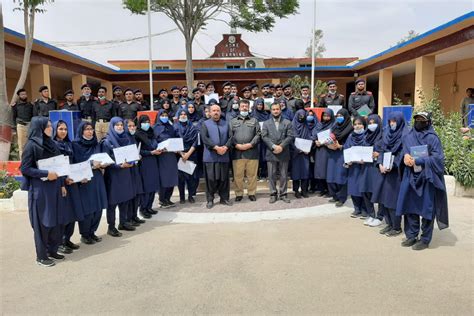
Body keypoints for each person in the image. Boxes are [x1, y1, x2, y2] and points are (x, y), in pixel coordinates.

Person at [396, 112, 449, 250]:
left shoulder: (432, 138)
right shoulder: (408, 136)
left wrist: (419, 160)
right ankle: (412, 235)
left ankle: (425, 239)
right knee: (410, 207)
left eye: (422, 120)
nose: (419, 121)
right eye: (417, 119)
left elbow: (438, 159)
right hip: (410, 176)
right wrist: (405, 157)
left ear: (428, 122)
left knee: (427, 208)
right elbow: (404, 152)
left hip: (427, 177)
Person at [20, 117, 64, 266]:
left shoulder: (52, 143)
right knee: (42, 223)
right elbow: (25, 168)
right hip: (40, 190)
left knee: (55, 221)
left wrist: (62, 183)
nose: (51, 128)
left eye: (51, 126)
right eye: (48, 126)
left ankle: (52, 250)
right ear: (39, 128)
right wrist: (45, 174)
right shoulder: (31, 146)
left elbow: (59, 164)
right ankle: (41, 256)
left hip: (54, 187)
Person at [371, 112, 408, 237]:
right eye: (390, 121)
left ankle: (396, 227)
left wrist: (393, 164)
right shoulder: (387, 135)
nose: (392, 124)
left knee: (392, 201)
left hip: (395, 174)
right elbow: (382, 150)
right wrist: (380, 163)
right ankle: (389, 224)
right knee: (383, 200)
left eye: (394, 121)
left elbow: (403, 154)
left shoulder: (405, 136)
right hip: (384, 172)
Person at [72, 122, 108, 245]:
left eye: (91, 129)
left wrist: (103, 164)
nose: (90, 131)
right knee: (87, 208)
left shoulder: (95, 143)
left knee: (98, 207)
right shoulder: (75, 145)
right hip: (84, 179)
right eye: (87, 129)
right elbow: (76, 163)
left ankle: (92, 232)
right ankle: (85, 234)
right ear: (81, 131)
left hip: (97, 177)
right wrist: (91, 165)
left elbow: (100, 157)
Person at [52, 120, 84, 254]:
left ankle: (67, 239)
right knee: (63, 214)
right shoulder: (53, 145)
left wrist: (80, 175)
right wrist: (63, 181)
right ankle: (59, 243)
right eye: (60, 129)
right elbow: (54, 167)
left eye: (65, 129)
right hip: (61, 183)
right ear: (55, 130)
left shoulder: (69, 144)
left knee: (73, 211)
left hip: (72, 182)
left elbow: (74, 162)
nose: (63, 131)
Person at [102, 117, 136, 236]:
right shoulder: (107, 142)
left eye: (121, 125)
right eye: (117, 125)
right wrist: (119, 166)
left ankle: (123, 222)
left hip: (125, 173)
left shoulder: (126, 139)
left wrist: (132, 162)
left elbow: (132, 154)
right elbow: (106, 161)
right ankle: (111, 227)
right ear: (112, 126)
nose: (120, 127)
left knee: (125, 199)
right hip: (114, 175)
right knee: (112, 202)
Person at [200, 104, 233, 209]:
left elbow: (231, 137)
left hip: (224, 155)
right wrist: (216, 148)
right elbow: (205, 138)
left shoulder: (226, 124)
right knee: (211, 179)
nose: (216, 112)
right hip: (210, 157)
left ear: (220, 112)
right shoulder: (205, 124)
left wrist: (225, 147)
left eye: (218, 110)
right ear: (209, 112)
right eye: (213, 110)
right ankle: (210, 199)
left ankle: (224, 198)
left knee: (224, 179)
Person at [261, 101, 294, 204]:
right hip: (271, 151)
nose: (275, 111)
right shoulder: (266, 123)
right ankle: (273, 194)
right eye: (273, 109)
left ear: (281, 110)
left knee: (284, 175)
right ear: (271, 111)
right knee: (271, 175)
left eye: (277, 109)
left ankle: (283, 194)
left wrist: (281, 146)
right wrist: (273, 146)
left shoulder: (287, 122)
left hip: (283, 151)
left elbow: (290, 136)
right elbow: (264, 136)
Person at [229, 99, 261, 202]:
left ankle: (251, 193)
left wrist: (250, 144)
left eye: (246, 106)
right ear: (239, 107)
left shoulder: (254, 121)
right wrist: (236, 145)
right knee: (238, 176)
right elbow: (230, 136)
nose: (244, 108)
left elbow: (258, 134)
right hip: (237, 153)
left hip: (252, 152)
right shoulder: (233, 121)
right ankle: (239, 193)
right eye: (242, 106)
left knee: (252, 175)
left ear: (249, 108)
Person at [359, 114, 384, 227]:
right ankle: (371, 214)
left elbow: (388, 151)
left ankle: (380, 216)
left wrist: (379, 154)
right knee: (365, 190)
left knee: (378, 192)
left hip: (376, 168)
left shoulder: (383, 136)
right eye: (369, 123)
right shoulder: (365, 135)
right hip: (366, 167)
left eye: (373, 122)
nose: (371, 125)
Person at [134, 115, 161, 218]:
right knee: (146, 186)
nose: (146, 124)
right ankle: (143, 208)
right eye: (144, 122)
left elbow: (155, 144)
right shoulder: (137, 134)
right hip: (144, 162)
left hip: (153, 161)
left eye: (148, 121)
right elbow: (138, 151)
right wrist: (150, 152)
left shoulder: (151, 132)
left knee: (153, 185)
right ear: (140, 123)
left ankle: (149, 207)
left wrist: (159, 149)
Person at [326, 109, 353, 207]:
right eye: (337, 115)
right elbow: (328, 138)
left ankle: (342, 198)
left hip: (343, 154)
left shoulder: (350, 128)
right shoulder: (334, 127)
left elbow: (352, 143)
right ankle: (335, 196)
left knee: (341, 176)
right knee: (331, 176)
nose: (339, 118)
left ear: (346, 117)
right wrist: (328, 145)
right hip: (332, 153)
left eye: (341, 116)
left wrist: (340, 146)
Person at [344, 116, 368, 217]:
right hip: (353, 167)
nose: (357, 126)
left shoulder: (367, 136)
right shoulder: (350, 136)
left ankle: (364, 209)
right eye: (355, 124)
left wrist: (365, 159)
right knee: (353, 187)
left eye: (360, 124)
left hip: (363, 167)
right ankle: (356, 208)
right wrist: (347, 161)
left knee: (362, 188)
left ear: (364, 125)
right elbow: (346, 149)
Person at [154, 109, 179, 208]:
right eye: (162, 115)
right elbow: (154, 141)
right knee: (164, 178)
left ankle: (168, 198)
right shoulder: (155, 127)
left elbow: (175, 138)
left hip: (171, 155)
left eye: (166, 115)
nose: (164, 117)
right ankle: (162, 199)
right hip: (162, 156)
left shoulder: (171, 127)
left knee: (172, 177)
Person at [174, 109, 199, 204]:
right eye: (181, 114)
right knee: (181, 178)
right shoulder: (175, 127)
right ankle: (182, 197)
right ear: (179, 116)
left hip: (191, 154)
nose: (183, 116)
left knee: (191, 177)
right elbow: (174, 142)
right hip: (179, 155)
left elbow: (195, 142)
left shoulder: (192, 127)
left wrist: (188, 154)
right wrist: (181, 154)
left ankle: (191, 196)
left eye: (185, 114)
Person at [124, 119, 146, 225]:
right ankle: (129, 218)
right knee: (131, 194)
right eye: (129, 126)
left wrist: (138, 156)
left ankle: (134, 215)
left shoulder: (133, 138)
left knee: (137, 193)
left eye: (133, 126)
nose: (132, 128)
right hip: (128, 169)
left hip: (135, 168)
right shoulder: (124, 138)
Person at [311, 108, 334, 197]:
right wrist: (315, 141)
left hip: (328, 150)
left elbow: (334, 136)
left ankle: (329, 190)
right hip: (319, 150)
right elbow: (314, 134)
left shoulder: (333, 125)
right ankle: (322, 189)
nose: (326, 117)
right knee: (320, 170)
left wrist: (325, 142)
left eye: (328, 115)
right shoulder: (319, 125)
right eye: (324, 115)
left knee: (327, 170)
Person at [291, 109, 312, 198]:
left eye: (303, 117)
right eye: (299, 116)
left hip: (305, 154)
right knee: (296, 172)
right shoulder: (292, 126)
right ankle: (296, 191)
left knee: (305, 171)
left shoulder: (307, 126)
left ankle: (304, 190)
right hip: (295, 154)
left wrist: (309, 147)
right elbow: (290, 139)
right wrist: (296, 149)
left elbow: (310, 138)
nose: (301, 118)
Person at [251, 98, 270, 179]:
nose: (259, 106)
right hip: (256, 139)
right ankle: (256, 174)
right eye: (258, 104)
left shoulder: (266, 114)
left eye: (261, 105)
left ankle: (264, 173)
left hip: (264, 139)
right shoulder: (252, 114)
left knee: (264, 155)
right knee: (256, 156)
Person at [12, 88, 34, 158]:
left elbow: (33, 115)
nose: (24, 95)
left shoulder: (30, 104)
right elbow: (14, 117)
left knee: (30, 143)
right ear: (19, 96)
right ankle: (23, 161)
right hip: (20, 126)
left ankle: (30, 160)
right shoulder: (15, 105)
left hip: (30, 126)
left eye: (25, 94)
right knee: (21, 145)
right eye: (22, 94)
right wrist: (14, 128)